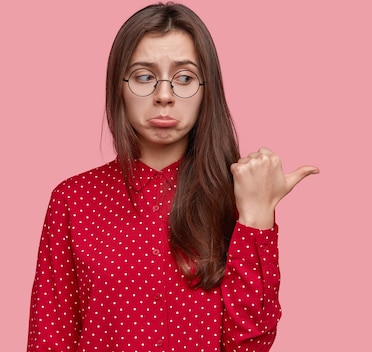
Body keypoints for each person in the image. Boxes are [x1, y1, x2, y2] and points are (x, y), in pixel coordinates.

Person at [27, 3, 318, 351]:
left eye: (184, 78)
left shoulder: (236, 195)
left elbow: (250, 344)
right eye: (144, 76)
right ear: (118, 86)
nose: (164, 96)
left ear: (206, 89)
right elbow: (49, 339)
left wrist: (256, 216)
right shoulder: (73, 199)